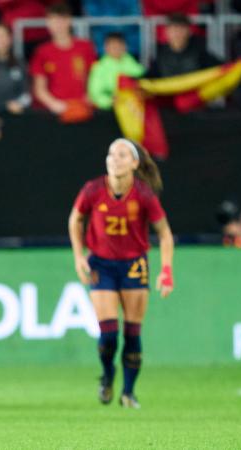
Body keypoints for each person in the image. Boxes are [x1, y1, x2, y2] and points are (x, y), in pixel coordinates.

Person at [68, 138, 174, 409]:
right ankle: (107, 375)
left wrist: (166, 270)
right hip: (101, 265)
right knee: (108, 335)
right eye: (111, 153)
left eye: (123, 154)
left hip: (134, 265)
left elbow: (164, 233)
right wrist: (79, 256)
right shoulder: (93, 189)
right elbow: (75, 219)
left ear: (135, 163)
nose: (115, 158)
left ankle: (128, 392)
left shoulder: (144, 195)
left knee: (133, 333)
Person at [29, 2, 96, 117]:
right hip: (55, 113)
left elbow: (94, 77)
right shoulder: (42, 51)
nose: (57, 25)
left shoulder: (85, 46)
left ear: (69, 21)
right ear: (47, 23)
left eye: (61, 20)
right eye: (53, 20)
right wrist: (54, 104)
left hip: (83, 109)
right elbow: (39, 88)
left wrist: (90, 97)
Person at [147, 14, 221, 79]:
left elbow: (221, 68)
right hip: (169, 94)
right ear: (167, 32)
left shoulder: (200, 52)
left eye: (181, 29)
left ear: (189, 31)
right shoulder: (160, 54)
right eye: (174, 29)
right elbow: (150, 77)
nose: (178, 33)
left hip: (194, 93)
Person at [87, 32, 145, 110]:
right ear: (106, 48)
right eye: (113, 46)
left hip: (133, 104)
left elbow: (143, 77)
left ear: (125, 47)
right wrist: (109, 101)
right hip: (111, 107)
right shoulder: (99, 67)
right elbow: (95, 93)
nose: (116, 49)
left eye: (119, 46)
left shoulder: (130, 61)